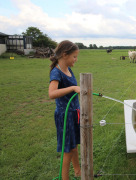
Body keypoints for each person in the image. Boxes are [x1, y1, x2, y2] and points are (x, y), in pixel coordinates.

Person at [48, 40, 81, 180]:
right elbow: (52, 94)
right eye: (74, 56)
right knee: (67, 149)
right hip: (65, 115)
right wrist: (73, 88)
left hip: (74, 113)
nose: (76, 59)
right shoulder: (56, 72)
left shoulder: (68, 69)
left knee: (74, 146)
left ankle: (78, 170)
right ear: (64, 54)